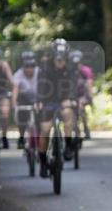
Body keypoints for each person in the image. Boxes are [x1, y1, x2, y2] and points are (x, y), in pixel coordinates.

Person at [36, 39, 84, 177]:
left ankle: (68, 146)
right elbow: (41, 84)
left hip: (64, 98)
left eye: (62, 58)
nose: (60, 61)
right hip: (48, 99)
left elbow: (73, 84)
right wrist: (39, 100)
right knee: (45, 129)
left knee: (68, 113)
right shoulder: (45, 66)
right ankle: (43, 161)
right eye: (58, 58)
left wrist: (72, 99)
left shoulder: (71, 66)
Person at [12, 51, 40, 149]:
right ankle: (21, 136)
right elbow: (15, 89)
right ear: (23, 66)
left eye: (31, 66)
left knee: (40, 118)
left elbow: (45, 88)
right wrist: (14, 103)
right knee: (21, 115)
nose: (29, 69)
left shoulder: (39, 72)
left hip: (38, 97)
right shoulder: (18, 74)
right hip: (24, 98)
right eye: (26, 66)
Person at [69, 49, 94, 139]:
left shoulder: (86, 70)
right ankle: (76, 129)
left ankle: (86, 128)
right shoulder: (69, 71)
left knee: (80, 108)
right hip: (72, 95)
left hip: (83, 95)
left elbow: (89, 84)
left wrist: (89, 97)